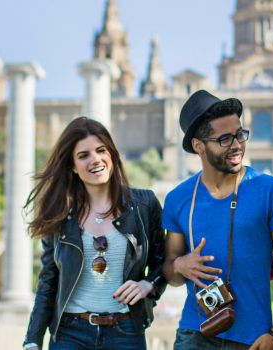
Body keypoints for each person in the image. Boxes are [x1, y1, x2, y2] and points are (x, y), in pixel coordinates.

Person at [162, 90, 273, 350]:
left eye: (240, 134)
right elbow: (169, 273)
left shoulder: (271, 190)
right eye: (224, 138)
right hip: (194, 335)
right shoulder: (178, 199)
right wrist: (180, 265)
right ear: (199, 146)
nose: (237, 145)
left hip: (254, 340)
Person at [23, 117, 166, 350]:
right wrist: (32, 339)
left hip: (126, 332)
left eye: (101, 150)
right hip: (70, 334)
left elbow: (163, 262)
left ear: (112, 154)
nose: (95, 160)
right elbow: (48, 282)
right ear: (72, 166)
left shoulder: (144, 204)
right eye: (83, 155)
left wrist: (148, 284)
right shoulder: (60, 215)